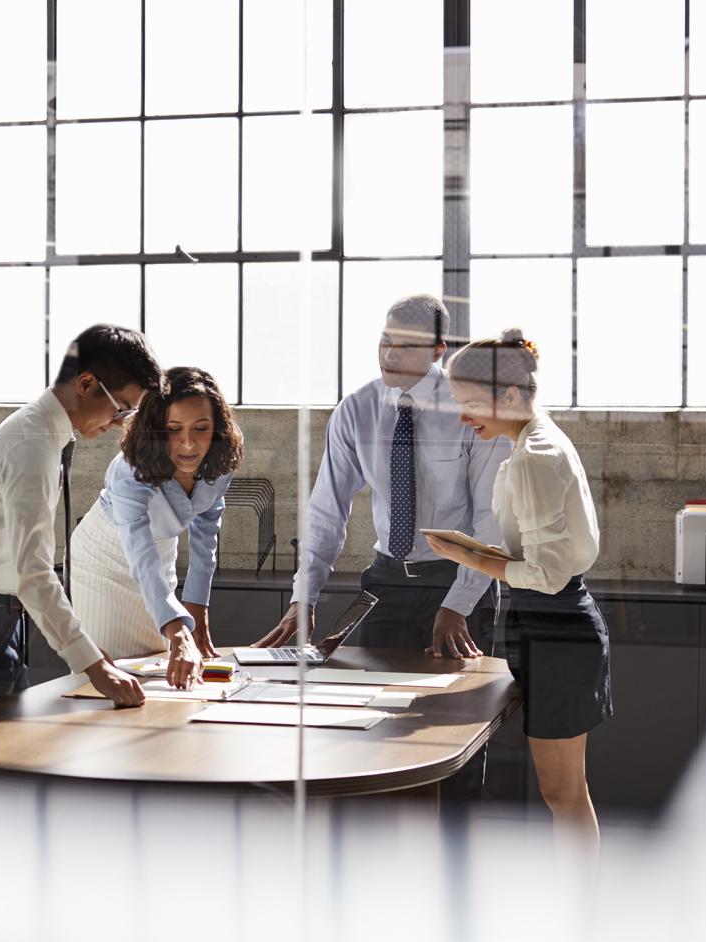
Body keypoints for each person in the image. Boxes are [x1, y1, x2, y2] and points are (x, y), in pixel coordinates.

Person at [425, 330, 612, 853]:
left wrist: (467, 556)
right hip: (548, 623)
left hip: (557, 625)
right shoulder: (534, 441)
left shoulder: (535, 454)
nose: (464, 418)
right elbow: (539, 559)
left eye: (468, 404)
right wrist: (477, 553)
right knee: (565, 793)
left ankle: (579, 917)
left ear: (508, 395)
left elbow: (548, 575)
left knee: (563, 793)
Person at [0, 324, 162, 719]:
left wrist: (88, 652)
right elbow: (33, 572)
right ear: (85, 384)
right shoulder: (31, 445)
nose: (121, 423)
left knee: (2, 768)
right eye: (122, 408)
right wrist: (94, 667)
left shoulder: (44, 437)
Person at [256, 294, 509, 658]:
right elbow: (327, 510)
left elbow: (491, 517)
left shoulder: (471, 409)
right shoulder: (357, 410)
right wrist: (304, 598)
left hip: (457, 578)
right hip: (386, 583)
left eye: (406, 345)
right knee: (375, 698)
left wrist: (460, 603)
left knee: (454, 707)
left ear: (438, 350)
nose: (390, 354)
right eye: (385, 341)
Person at [69, 366, 244, 687]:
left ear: (217, 428)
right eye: (174, 429)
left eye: (201, 429)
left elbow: (207, 525)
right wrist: (178, 628)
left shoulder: (222, 455)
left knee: (161, 673)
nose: (189, 444)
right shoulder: (130, 470)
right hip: (105, 559)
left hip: (160, 552)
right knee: (111, 678)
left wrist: (196, 608)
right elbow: (139, 553)